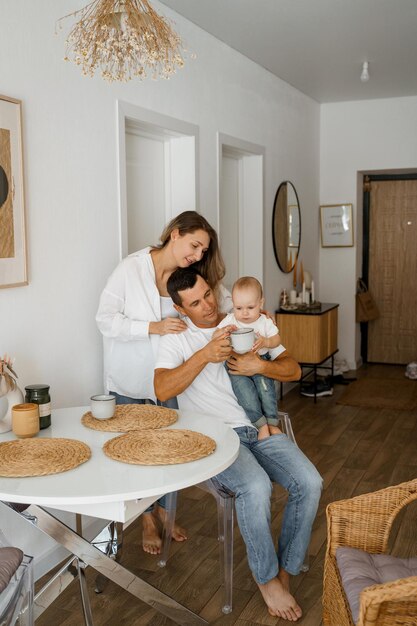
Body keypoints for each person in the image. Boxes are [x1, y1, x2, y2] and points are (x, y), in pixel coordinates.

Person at [154, 268, 322, 622]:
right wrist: (204, 354)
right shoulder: (177, 338)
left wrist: (257, 365)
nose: (208, 305)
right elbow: (162, 390)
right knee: (256, 487)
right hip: (215, 438)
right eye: (196, 303)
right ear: (181, 309)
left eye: (209, 294)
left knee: (310, 482)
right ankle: (266, 579)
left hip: (258, 429)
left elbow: (292, 369)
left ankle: (284, 574)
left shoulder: (246, 322)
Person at [96, 211, 231, 554]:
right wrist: (150, 328)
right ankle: (145, 519)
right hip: (128, 380)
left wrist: (256, 314)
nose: (199, 255)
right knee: (131, 455)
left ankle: (166, 513)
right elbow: (104, 319)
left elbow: (222, 301)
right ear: (174, 233)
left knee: (170, 451)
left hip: (168, 381)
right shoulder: (131, 268)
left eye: (203, 250)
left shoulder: (189, 275)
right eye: (195, 245)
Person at [218, 276, 282, 440]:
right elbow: (216, 335)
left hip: (261, 361)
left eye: (250, 307)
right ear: (233, 305)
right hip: (236, 365)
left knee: (266, 391)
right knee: (245, 394)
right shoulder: (230, 320)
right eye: (238, 308)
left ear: (261, 304)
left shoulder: (264, 321)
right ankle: (260, 425)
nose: (244, 313)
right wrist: (223, 333)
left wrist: (266, 341)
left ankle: (273, 423)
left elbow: (277, 340)